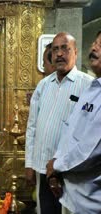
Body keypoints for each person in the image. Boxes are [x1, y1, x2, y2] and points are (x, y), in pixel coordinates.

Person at [25, 32, 93, 214]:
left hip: (70, 174)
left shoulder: (88, 86)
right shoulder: (44, 85)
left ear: (75, 52)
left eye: (65, 48)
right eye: (55, 49)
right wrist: (29, 164)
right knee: (45, 210)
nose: (60, 54)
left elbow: (91, 134)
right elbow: (32, 126)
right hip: (41, 168)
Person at [46, 31, 101, 214]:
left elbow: (89, 150)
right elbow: (70, 132)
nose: (93, 48)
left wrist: (56, 166)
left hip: (89, 202)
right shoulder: (93, 89)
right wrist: (55, 170)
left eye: (100, 45)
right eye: (94, 43)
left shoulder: (85, 83)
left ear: (74, 53)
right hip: (70, 193)